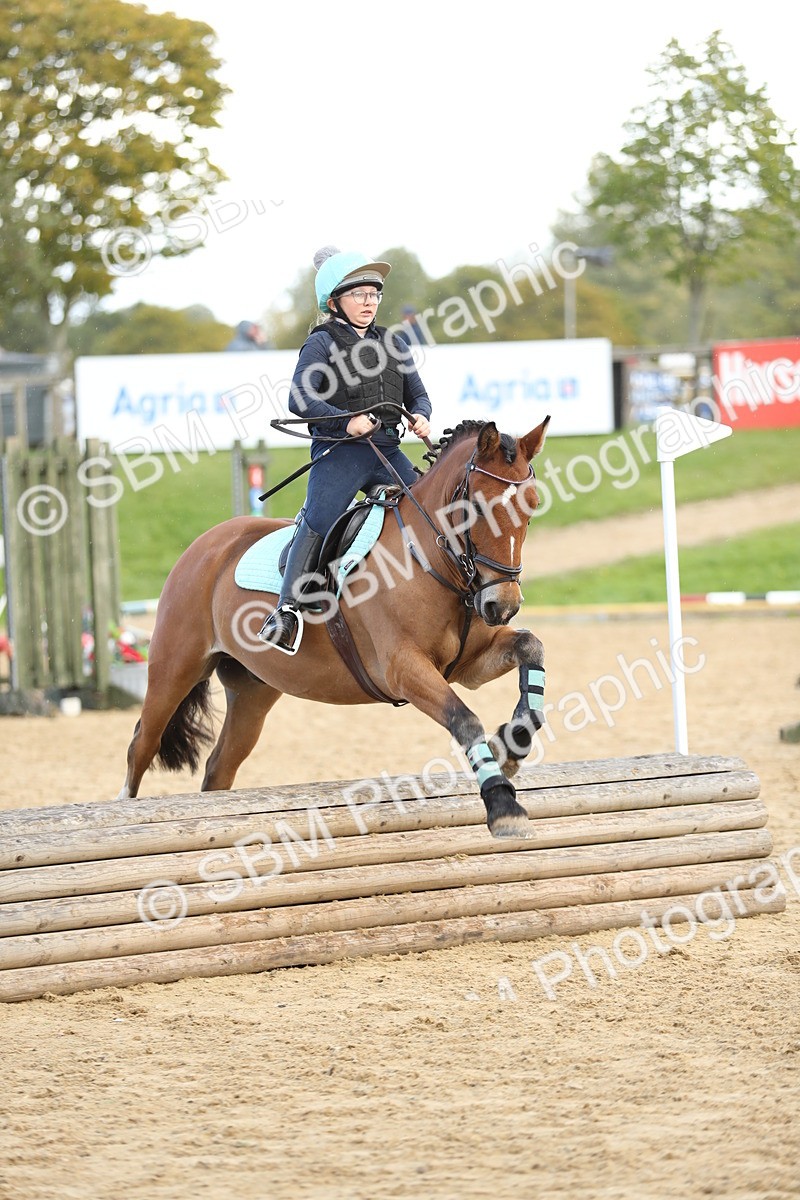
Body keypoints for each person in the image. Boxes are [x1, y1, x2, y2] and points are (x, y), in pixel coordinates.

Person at [258, 246, 432, 654]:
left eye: (374, 295)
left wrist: (421, 416)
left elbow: (419, 395)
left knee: (432, 512)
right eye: (359, 295)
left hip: (387, 452)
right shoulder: (319, 344)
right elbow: (299, 398)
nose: (369, 302)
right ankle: (285, 612)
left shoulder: (394, 343)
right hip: (339, 455)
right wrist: (346, 420)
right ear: (334, 301)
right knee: (319, 519)